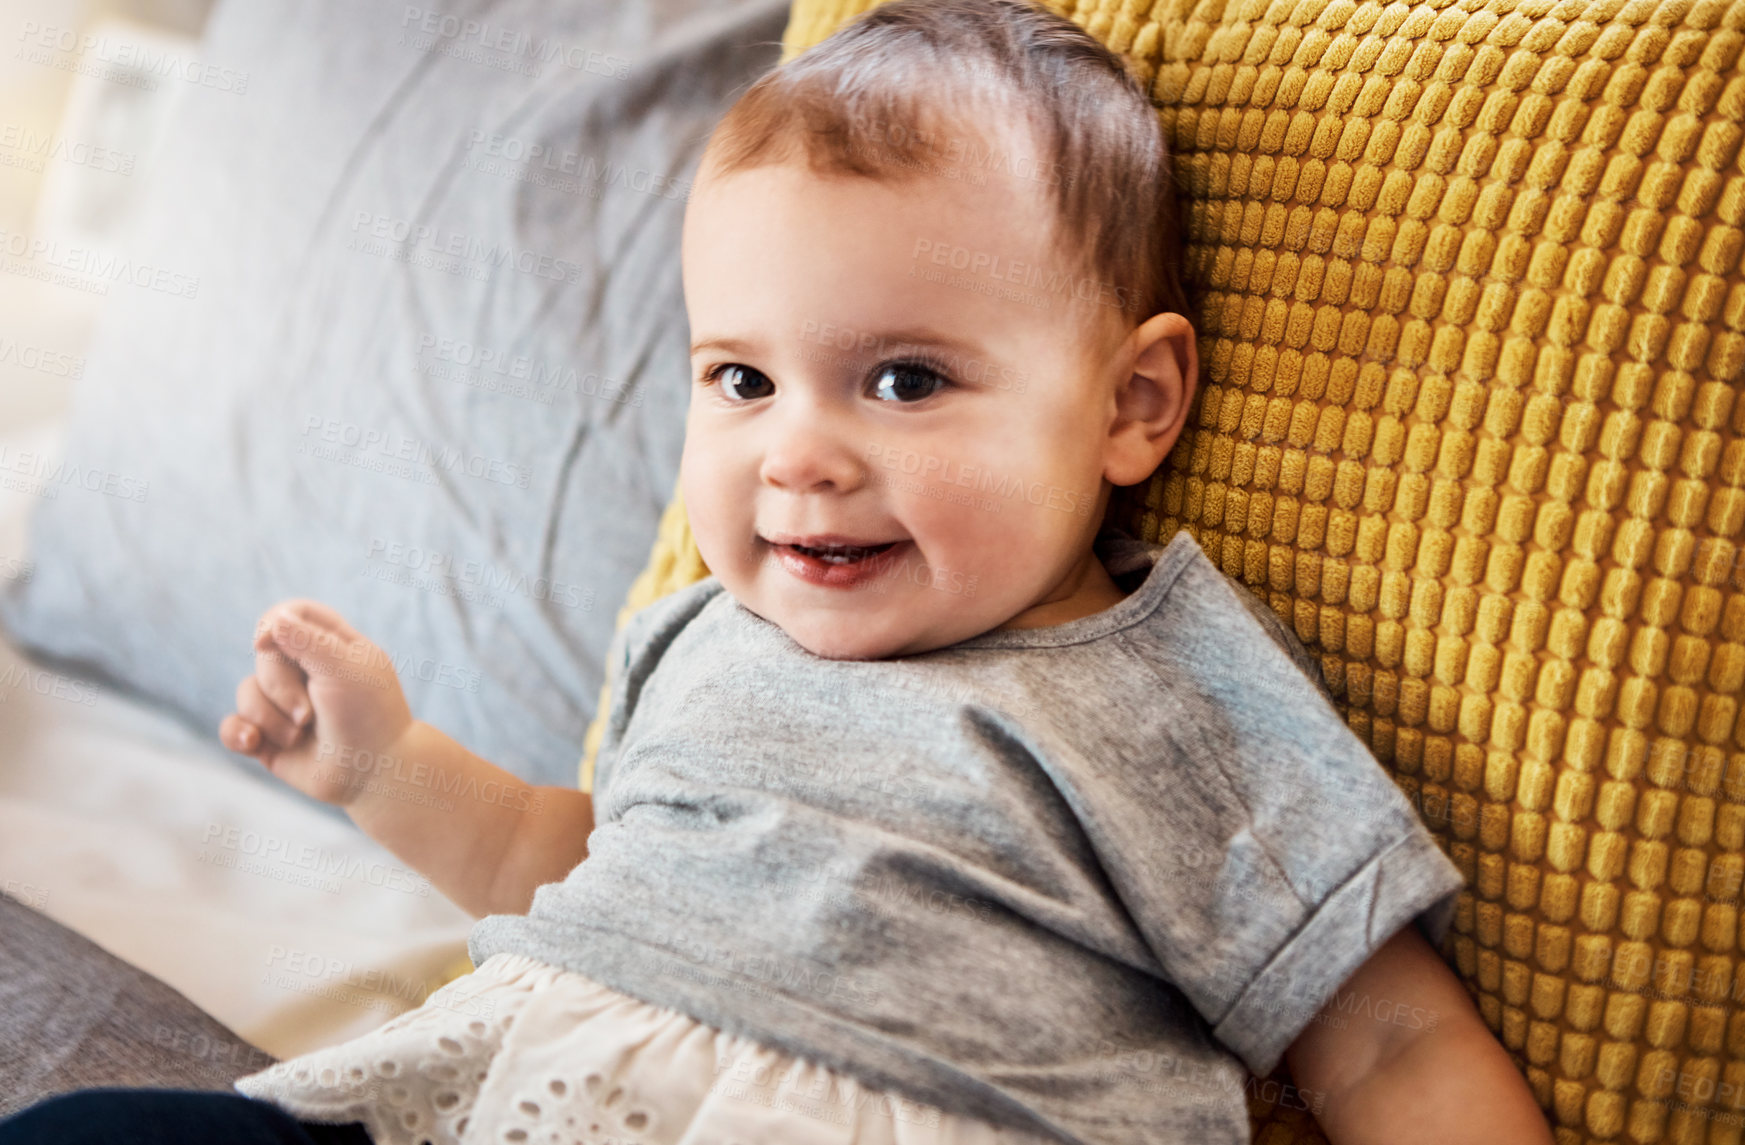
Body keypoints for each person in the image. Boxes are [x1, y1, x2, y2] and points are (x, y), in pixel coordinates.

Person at [0, 1, 1553, 1142]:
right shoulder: (700, 632)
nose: (793, 454)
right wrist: (389, 768)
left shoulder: (1173, 689)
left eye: (902, 380)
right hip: (528, 1094)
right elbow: (578, 859)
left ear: (1131, 406)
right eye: (741, 380)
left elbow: (1391, 1042)